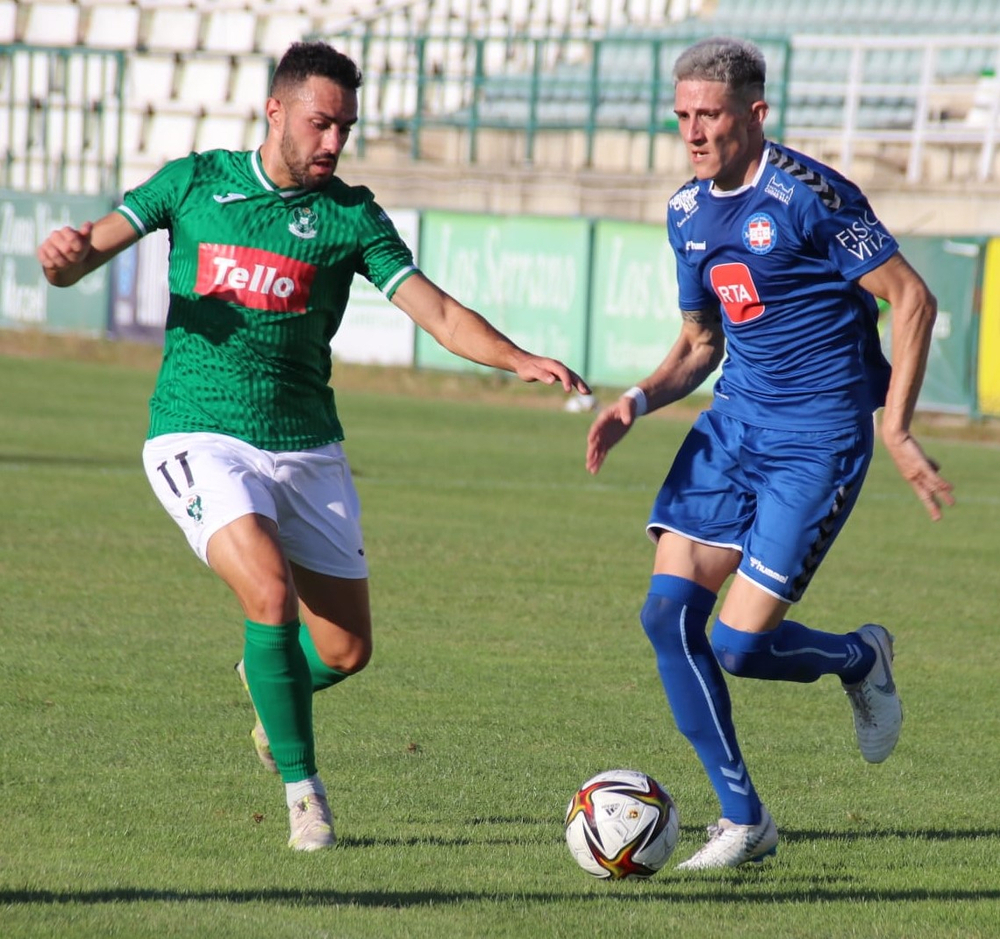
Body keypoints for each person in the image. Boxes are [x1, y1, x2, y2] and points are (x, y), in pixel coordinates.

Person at [37, 41, 589, 852]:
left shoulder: (351, 217)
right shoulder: (191, 182)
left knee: (346, 648)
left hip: (307, 445)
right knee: (268, 593)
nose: (334, 143)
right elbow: (87, 253)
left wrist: (516, 358)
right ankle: (307, 800)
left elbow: (434, 310)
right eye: (320, 123)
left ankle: (270, 685)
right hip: (197, 429)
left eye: (346, 128)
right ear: (275, 111)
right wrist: (67, 258)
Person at [585, 36, 954, 870]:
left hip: (817, 442)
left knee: (744, 647)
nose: (693, 131)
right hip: (731, 431)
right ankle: (743, 818)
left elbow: (913, 299)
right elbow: (699, 343)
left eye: (708, 114)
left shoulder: (809, 196)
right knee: (666, 615)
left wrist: (894, 426)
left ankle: (861, 655)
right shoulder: (686, 213)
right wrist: (637, 401)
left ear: (754, 113)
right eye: (681, 115)